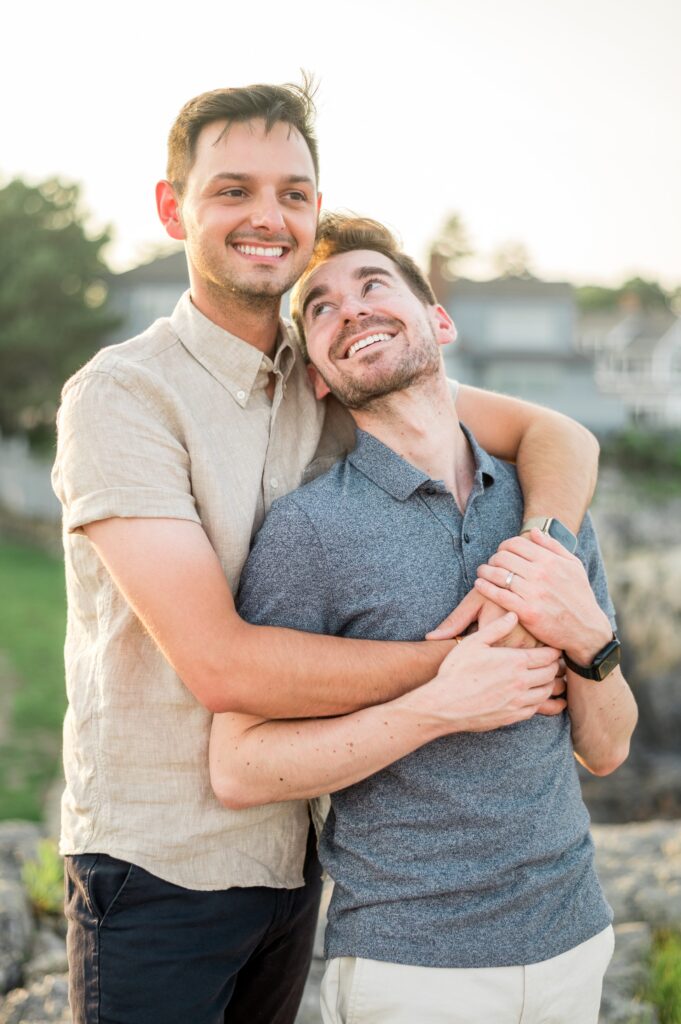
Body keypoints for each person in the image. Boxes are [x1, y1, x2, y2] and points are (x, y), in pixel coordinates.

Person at [52, 81, 602, 1024]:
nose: (268, 216)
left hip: (296, 855)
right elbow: (222, 665)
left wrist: (536, 567)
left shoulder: (333, 372)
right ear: (173, 207)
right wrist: (474, 668)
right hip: (159, 866)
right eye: (233, 191)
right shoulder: (125, 397)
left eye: (293, 194)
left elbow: (559, 436)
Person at [209, 214, 638, 1024]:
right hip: (409, 967)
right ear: (320, 380)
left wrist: (590, 638)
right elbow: (238, 767)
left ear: (438, 320)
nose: (351, 310)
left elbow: (607, 747)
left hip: (574, 941)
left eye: (373, 285)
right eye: (321, 309)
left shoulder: (543, 503)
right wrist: (437, 706)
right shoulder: (309, 532)